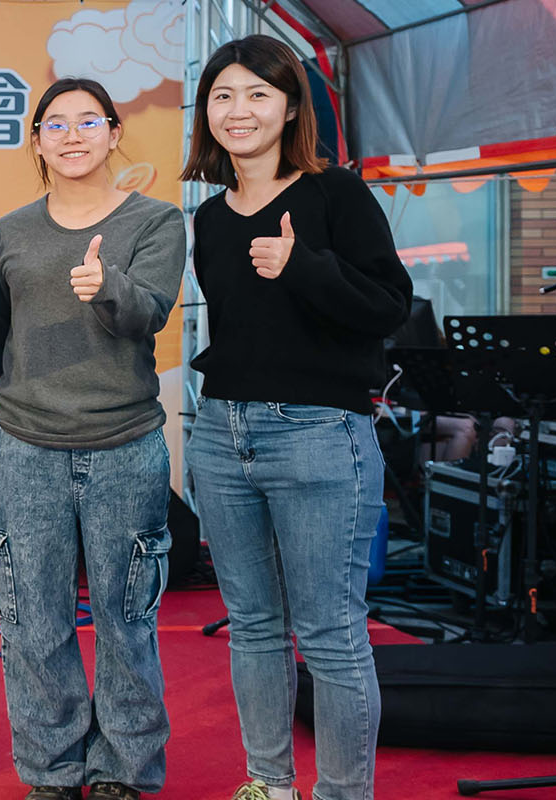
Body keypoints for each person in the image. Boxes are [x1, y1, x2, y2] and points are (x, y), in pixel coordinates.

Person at [181, 34, 411, 800]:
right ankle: (269, 784)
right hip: (221, 434)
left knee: (332, 636)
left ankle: (343, 794)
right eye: (223, 95)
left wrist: (305, 267)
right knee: (252, 626)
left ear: (288, 108)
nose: (238, 110)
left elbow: (388, 305)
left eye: (256, 94)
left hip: (317, 435)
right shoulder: (210, 217)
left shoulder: (333, 193)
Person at [0, 77, 186, 800]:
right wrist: (29, 392)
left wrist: (108, 288)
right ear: (36, 139)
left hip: (125, 445)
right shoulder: (8, 231)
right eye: (55, 124)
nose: (72, 136)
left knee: (127, 620)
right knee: (32, 622)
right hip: (27, 448)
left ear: (112, 131)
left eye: (87, 122)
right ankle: (52, 771)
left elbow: (150, 314)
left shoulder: (157, 222)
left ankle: (124, 773)